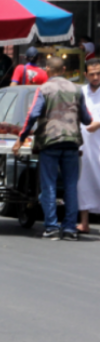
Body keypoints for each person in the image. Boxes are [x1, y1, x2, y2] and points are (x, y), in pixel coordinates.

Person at [13, 57, 100, 240]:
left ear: (47, 70)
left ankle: (51, 227)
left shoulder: (44, 89)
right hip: (72, 143)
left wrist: (21, 138)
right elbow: (86, 117)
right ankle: (69, 229)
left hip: (50, 142)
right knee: (70, 186)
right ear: (65, 69)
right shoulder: (77, 90)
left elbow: (32, 115)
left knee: (49, 185)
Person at [79, 58, 100, 233]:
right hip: (83, 146)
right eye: (92, 74)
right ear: (85, 75)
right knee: (83, 182)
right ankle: (84, 223)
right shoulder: (80, 92)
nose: (96, 77)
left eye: (98, 73)